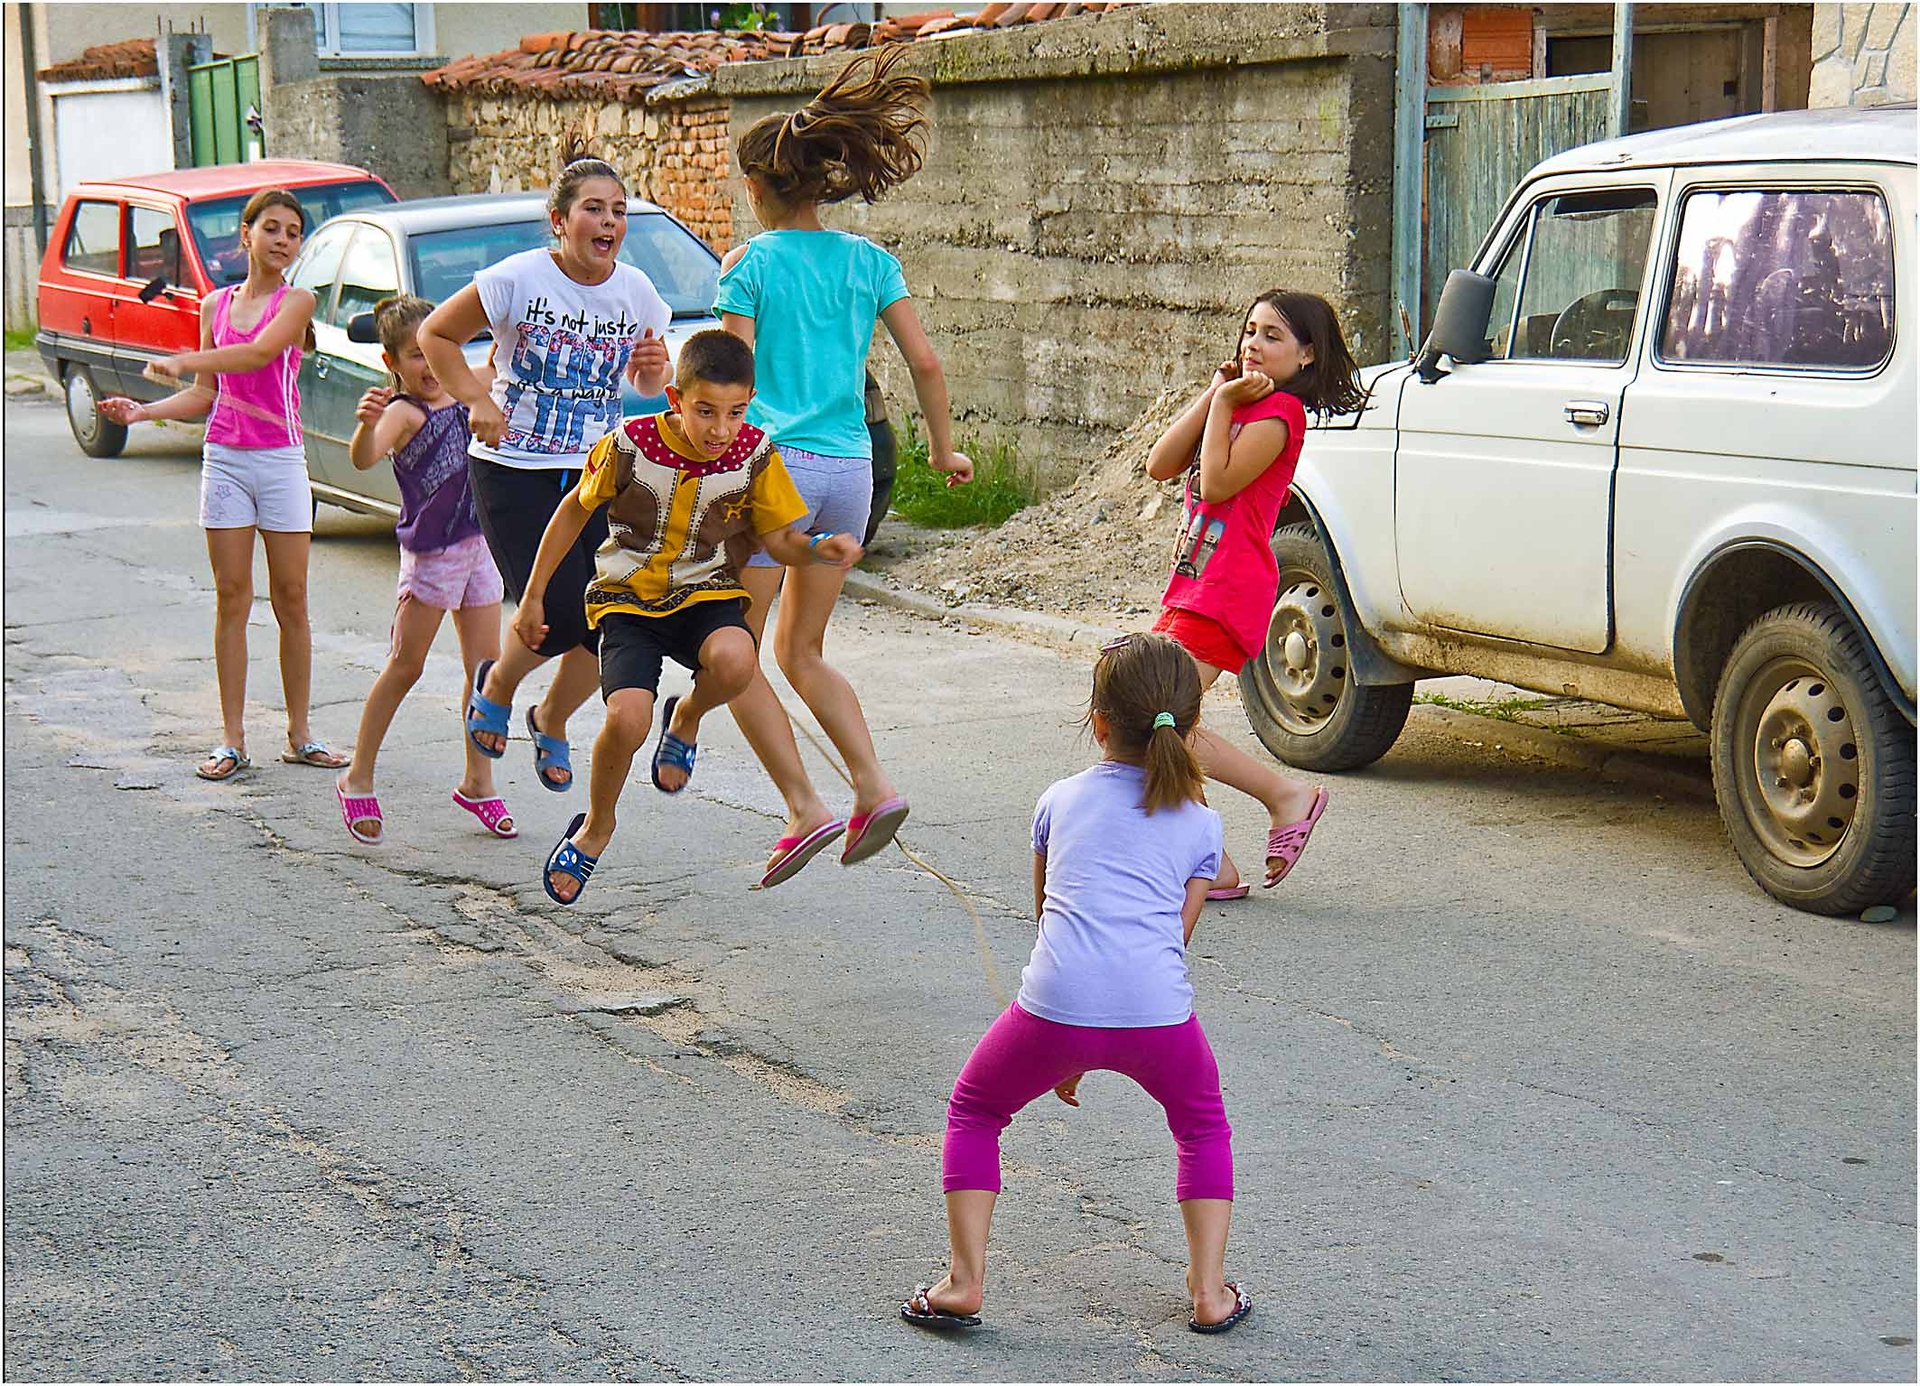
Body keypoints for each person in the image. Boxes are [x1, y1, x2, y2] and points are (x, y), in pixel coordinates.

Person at [901, 632, 1252, 1337]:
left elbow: (1048, 917)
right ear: (1190, 730)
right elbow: (1175, 937)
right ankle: (1210, 1292)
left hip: (1056, 1006)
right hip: (1158, 1015)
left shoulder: (1060, 800)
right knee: (1201, 1127)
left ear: (1097, 723)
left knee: (976, 1110)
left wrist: (1071, 1048)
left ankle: (964, 1283)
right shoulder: (1204, 824)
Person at [714, 46, 974, 888]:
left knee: (734, 651)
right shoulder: (870, 262)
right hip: (850, 473)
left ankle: (804, 807)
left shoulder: (752, 266)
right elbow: (925, 363)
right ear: (821, 182)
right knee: (804, 650)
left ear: (756, 188)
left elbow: (733, 377)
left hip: (776, 471)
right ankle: (873, 785)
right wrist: (942, 449)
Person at [516, 329, 863, 906]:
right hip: (628, 600)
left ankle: (686, 717)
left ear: (749, 404)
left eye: (735, 412)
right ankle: (597, 825)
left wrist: (817, 548)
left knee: (738, 661)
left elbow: (779, 540)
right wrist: (533, 595)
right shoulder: (629, 445)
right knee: (627, 719)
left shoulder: (756, 454)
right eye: (705, 411)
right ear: (675, 399)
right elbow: (573, 511)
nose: (720, 429)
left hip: (706, 591)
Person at [419, 136, 672, 797]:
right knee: (560, 609)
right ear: (560, 221)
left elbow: (649, 382)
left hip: (600, 472)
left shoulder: (637, 292)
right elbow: (435, 335)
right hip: (513, 468)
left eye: (619, 211)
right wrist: (477, 400)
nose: (610, 222)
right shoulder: (518, 279)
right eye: (594, 209)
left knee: (613, 614)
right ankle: (498, 683)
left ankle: (550, 717)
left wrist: (655, 369)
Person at [100, 188, 346, 782]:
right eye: (271, 228)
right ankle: (232, 739)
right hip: (226, 461)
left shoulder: (298, 301)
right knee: (232, 597)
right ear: (246, 234)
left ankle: (300, 734)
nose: (282, 240)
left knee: (291, 598)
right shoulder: (215, 305)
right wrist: (144, 411)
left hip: (281, 461)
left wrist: (186, 360)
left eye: (293, 232)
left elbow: (258, 355)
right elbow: (205, 396)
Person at [1143, 290, 1366, 894]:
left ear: (1307, 354)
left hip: (1229, 586)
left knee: (1156, 715)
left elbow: (1216, 484)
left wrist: (1224, 407)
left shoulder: (1281, 415)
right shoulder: (1238, 402)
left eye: (1273, 336)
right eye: (1249, 331)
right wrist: (1215, 393)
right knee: (1161, 722)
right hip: (1194, 581)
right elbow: (1160, 464)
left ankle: (1285, 798)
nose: (1254, 345)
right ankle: (1213, 862)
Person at [331, 295, 514, 845]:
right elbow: (364, 456)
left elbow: (507, 359)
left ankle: (478, 782)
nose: (430, 367)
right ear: (392, 362)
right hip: (433, 557)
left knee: (484, 672)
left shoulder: (469, 388)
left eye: (436, 351)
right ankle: (357, 775)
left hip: (480, 547)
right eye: (415, 356)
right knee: (405, 666)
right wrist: (365, 427)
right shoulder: (403, 413)